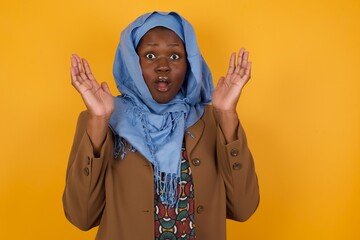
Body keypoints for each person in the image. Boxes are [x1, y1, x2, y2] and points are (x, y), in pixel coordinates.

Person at [63, 11, 259, 240]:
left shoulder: (213, 120)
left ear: (189, 64)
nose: (163, 66)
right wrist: (98, 121)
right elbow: (81, 217)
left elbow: (243, 209)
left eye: (175, 56)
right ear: (132, 63)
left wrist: (227, 115)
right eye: (150, 55)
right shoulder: (103, 119)